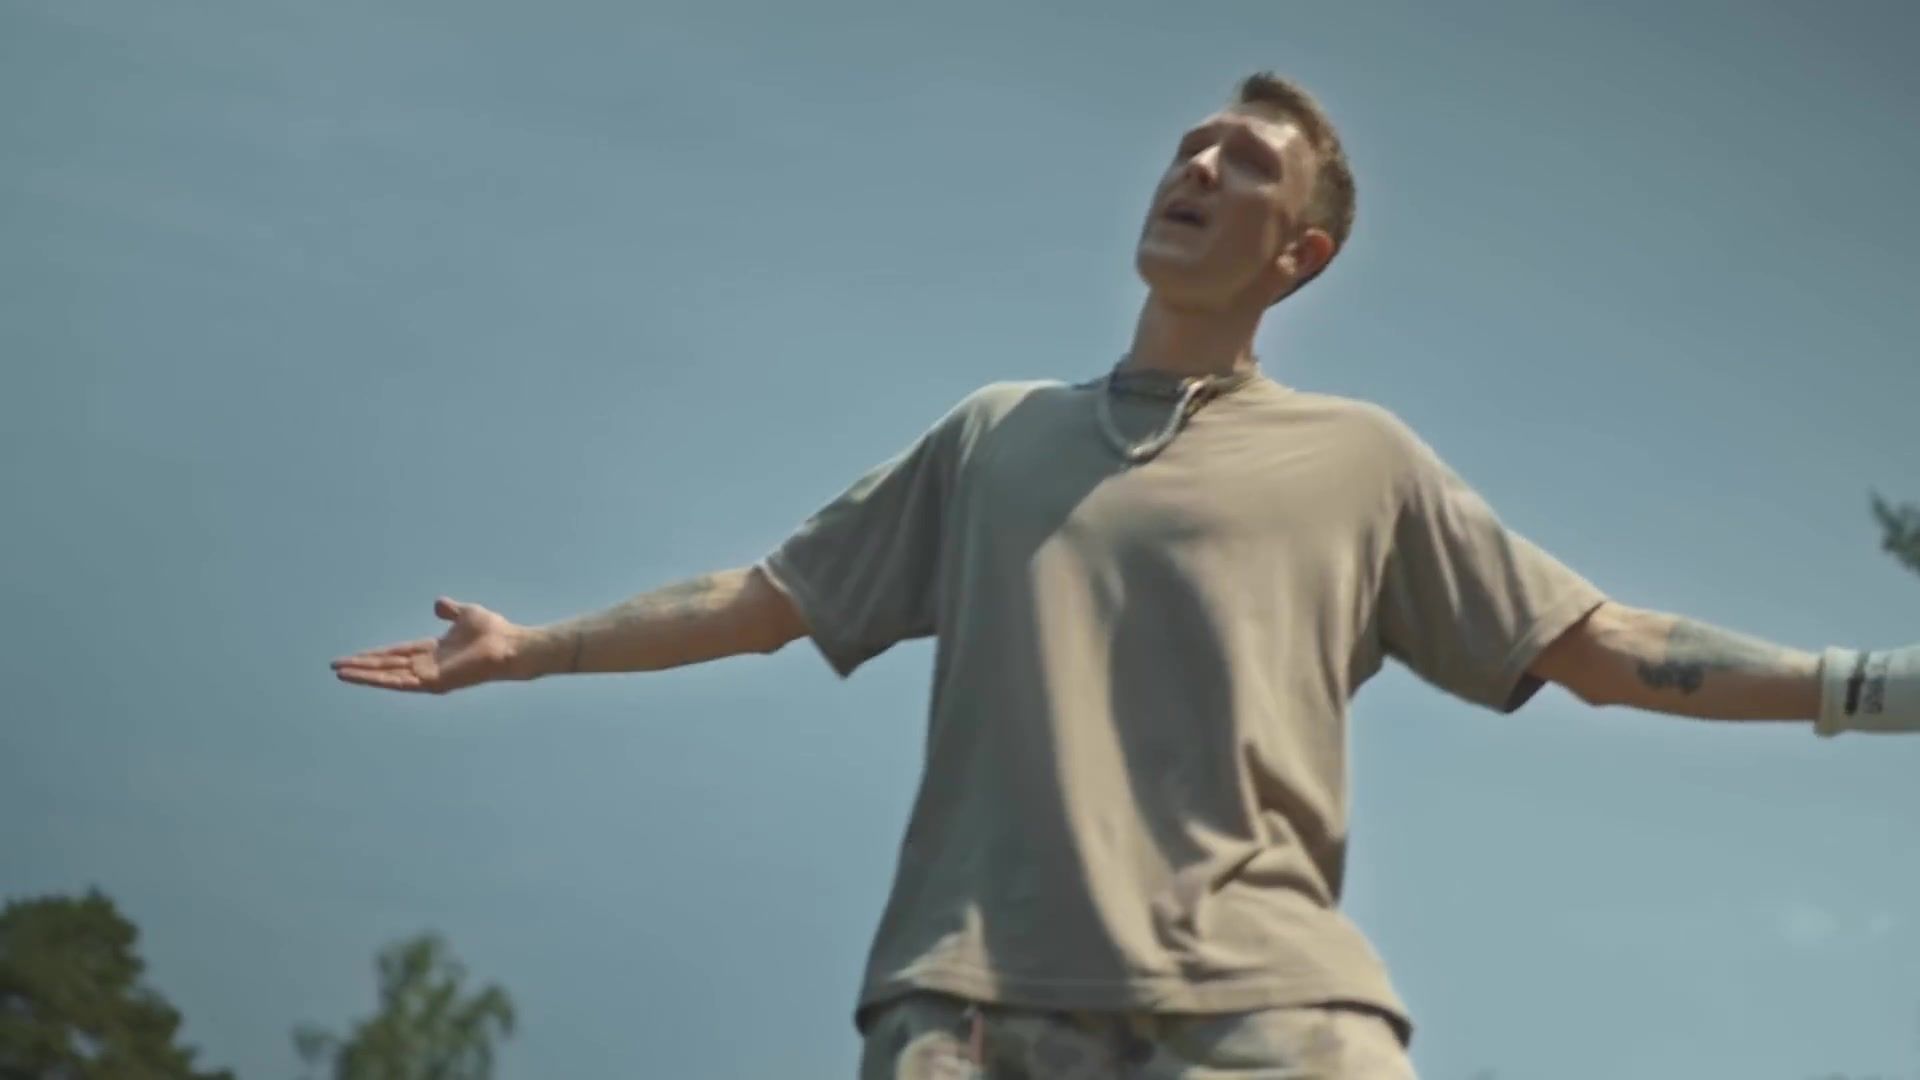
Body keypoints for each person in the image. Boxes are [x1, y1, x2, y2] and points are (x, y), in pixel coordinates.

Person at [330, 71, 1920, 1079]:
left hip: (1273, 1016)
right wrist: (533, 648)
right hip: (974, 1009)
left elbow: (1607, 647)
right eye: (1191, 144)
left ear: (1300, 254)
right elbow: (764, 600)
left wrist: (1883, 688)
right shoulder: (994, 437)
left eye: (1248, 162)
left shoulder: (1362, 463)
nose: (1201, 163)